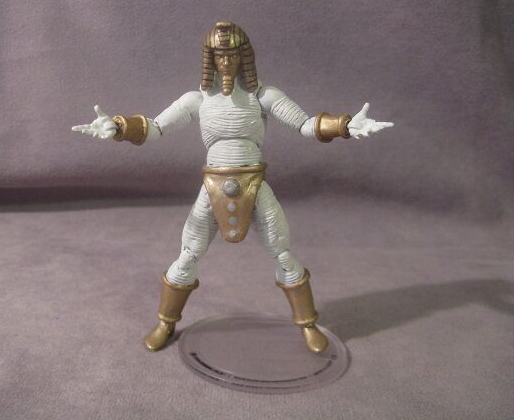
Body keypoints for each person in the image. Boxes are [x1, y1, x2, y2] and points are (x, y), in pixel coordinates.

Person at [72, 22, 393, 353]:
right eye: (219, 56)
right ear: (210, 59)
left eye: (232, 55)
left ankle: (307, 323)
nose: (225, 62)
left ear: (244, 57)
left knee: (283, 253)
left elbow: (305, 124)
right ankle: (166, 322)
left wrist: (343, 126)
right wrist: (120, 127)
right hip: (212, 186)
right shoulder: (196, 100)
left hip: (255, 183)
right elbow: (156, 127)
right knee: (188, 254)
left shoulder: (264, 96)